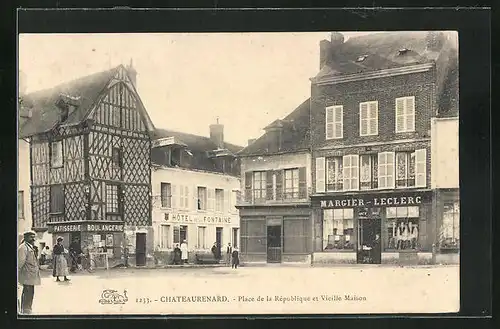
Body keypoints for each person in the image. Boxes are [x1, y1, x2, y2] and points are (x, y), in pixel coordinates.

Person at [18, 231, 41, 314]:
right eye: (31, 237)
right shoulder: (23, 248)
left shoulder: (31, 247)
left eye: (34, 237)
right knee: (27, 293)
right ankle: (25, 311)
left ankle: (28, 310)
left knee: (30, 293)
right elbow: (20, 263)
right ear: (26, 238)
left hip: (31, 275)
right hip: (26, 274)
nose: (33, 239)